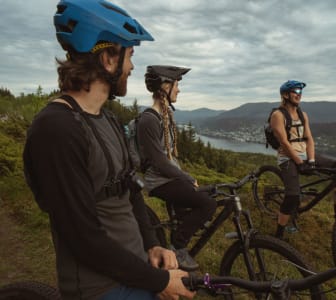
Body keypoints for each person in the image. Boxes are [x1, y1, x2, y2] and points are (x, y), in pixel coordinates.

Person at [23, 1, 195, 299]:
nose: (131, 67)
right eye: (130, 55)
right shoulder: (57, 129)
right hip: (100, 287)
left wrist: (152, 244)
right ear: (108, 58)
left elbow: (132, 190)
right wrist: (158, 282)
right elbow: (84, 238)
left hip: (133, 266)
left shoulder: (109, 119)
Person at [136, 65, 217, 271]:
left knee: (205, 196)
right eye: (176, 84)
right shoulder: (149, 119)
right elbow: (159, 161)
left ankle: (178, 233)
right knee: (207, 205)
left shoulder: (164, 115)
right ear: (165, 86)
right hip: (159, 181)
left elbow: (169, 157)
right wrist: (187, 178)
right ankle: (177, 248)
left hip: (169, 177)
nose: (178, 89)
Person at [270, 80, 336, 239]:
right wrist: (299, 162)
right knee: (292, 196)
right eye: (295, 90)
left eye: (300, 91)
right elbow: (284, 142)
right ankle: (278, 234)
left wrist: (311, 161)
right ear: (285, 95)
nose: (299, 94)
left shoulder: (303, 115)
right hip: (288, 158)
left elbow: (309, 139)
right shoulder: (278, 115)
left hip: (305, 154)